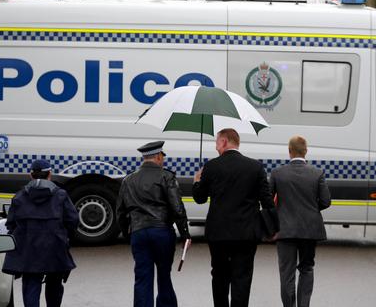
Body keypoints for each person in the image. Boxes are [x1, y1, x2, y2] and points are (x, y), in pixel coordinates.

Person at [193, 128, 276, 307]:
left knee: (219, 276)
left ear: (224, 141)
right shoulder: (255, 167)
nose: (216, 147)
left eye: (216, 142)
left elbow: (199, 198)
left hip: (218, 234)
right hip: (246, 234)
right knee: (242, 277)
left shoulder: (212, 166)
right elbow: (267, 201)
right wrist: (274, 228)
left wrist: (197, 181)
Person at [117, 140, 191, 307]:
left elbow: (120, 212)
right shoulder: (166, 176)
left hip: (138, 233)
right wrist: (185, 234)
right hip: (162, 232)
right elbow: (177, 208)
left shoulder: (128, 180)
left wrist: (128, 234)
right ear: (158, 156)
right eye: (162, 156)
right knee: (164, 275)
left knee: (142, 277)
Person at [2, 159, 79, 307]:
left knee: (31, 284)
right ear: (50, 174)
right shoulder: (60, 195)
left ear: (31, 175)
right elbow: (73, 221)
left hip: (29, 250)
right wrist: (64, 237)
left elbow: (11, 223)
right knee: (55, 283)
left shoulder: (19, 196)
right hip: (55, 248)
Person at [270, 135, 331, 307]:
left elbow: (267, 200)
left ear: (289, 151)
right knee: (306, 268)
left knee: (286, 273)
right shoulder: (317, 173)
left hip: (284, 230)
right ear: (306, 151)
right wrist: (311, 210)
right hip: (309, 230)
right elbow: (326, 201)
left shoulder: (277, 173)